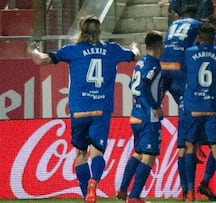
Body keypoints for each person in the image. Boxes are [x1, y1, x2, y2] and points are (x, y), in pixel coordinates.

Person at [26, 15, 140, 203]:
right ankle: (93, 182)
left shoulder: (72, 50)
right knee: (97, 152)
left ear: (81, 30)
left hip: (79, 109)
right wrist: (135, 45)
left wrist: (33, 49)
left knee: (80, 154)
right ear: (99, 31)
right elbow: (134, 55)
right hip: (100, 110)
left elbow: (41, 60)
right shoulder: (112, 50)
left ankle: (86, 195)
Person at [183, 22, 216, 202]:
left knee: (189, 147)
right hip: (213, 107)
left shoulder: (189, 53)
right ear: (214, 37)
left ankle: (189, 193)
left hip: (193, 108)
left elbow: (186, 71)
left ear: (199, 37)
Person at [115, 31, 164, 203]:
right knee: (149, 155)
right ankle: (134, 197)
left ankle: (122, 190)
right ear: (159, 46)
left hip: (135, 115)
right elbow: (143, 86)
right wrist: (155, 107)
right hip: (147, 117)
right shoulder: (154, 64)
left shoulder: (141, 62)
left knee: (138, 153)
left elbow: (132, 84)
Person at [160, 5, 203, 201]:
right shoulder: (197, 24)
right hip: (181, 71)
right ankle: (189, 191)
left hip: (164, 69)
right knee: (187, 140)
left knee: (183, 131)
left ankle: (185, 190)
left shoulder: (172, 26)